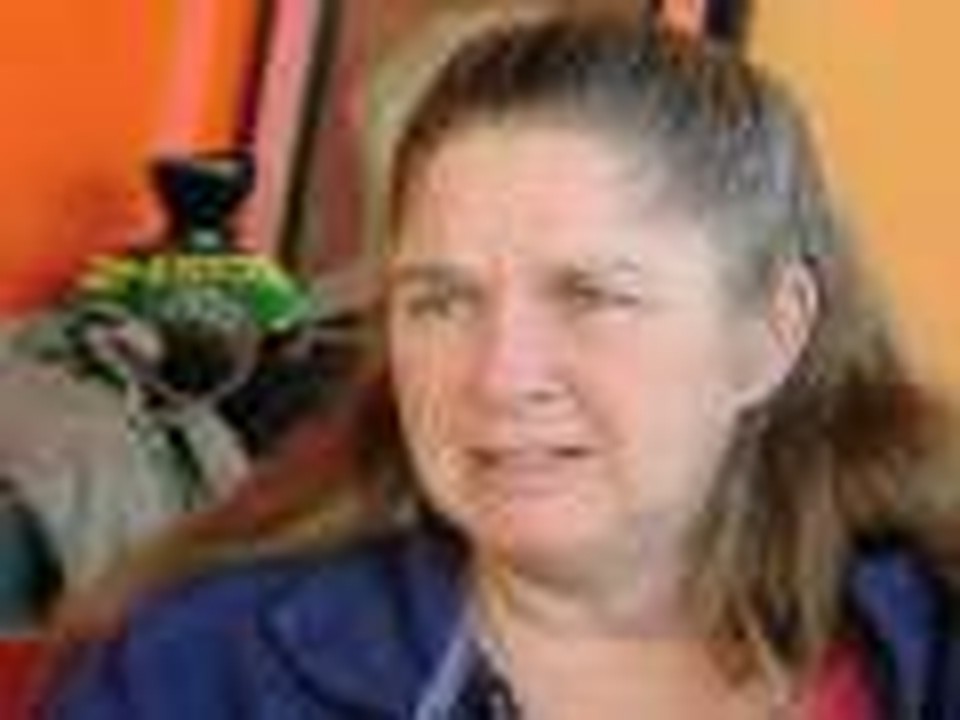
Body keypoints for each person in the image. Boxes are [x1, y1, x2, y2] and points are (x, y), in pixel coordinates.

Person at [45, 11, 960, 719]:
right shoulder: (198, 673)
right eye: (441, 301)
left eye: (590, 294)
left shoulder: (927, 650)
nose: (499, 377)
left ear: (769, 335)